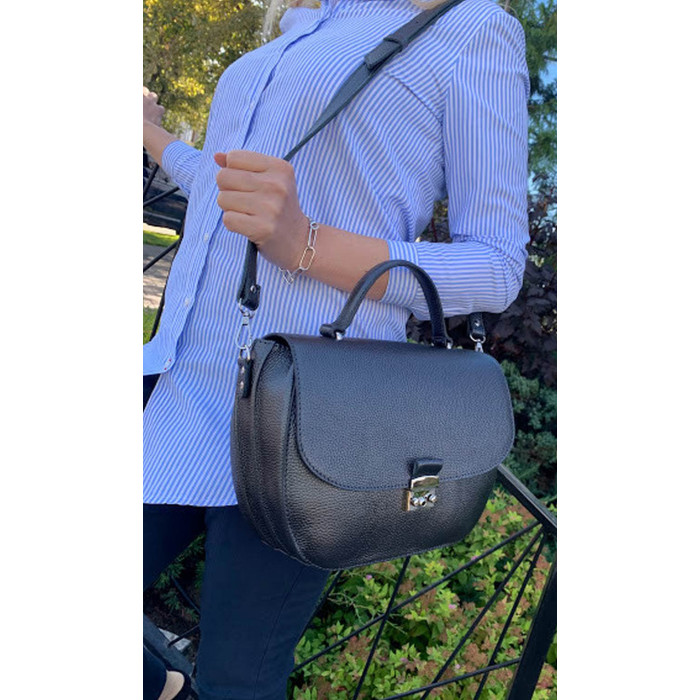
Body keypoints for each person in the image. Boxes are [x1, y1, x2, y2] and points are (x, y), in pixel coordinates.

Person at [142, 0, 530, 697]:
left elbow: (496, 267)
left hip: (303, 414)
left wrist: (305, 242)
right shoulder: (303, 23)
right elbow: (224, 193)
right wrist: (150, 133)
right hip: (179, 381)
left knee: (235, 680)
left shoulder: (469, 28)